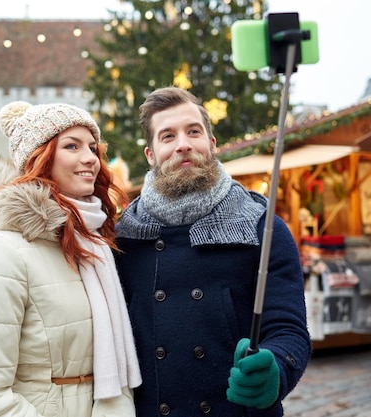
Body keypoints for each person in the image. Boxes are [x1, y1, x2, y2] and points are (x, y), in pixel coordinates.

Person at [114, 86, 311, 417]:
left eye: (194, 131)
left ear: (212, 144)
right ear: (150, 155)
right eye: (168, 136)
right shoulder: (123, 238)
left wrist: (275, 368)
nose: (183, 144)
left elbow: (288, 329)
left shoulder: (262, 226)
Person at [0, 101, 142, 416]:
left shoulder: (93, 246)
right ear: (39, 158)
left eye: (93, 148)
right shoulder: (0, 253)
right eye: (72, 146)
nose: (90, 158)